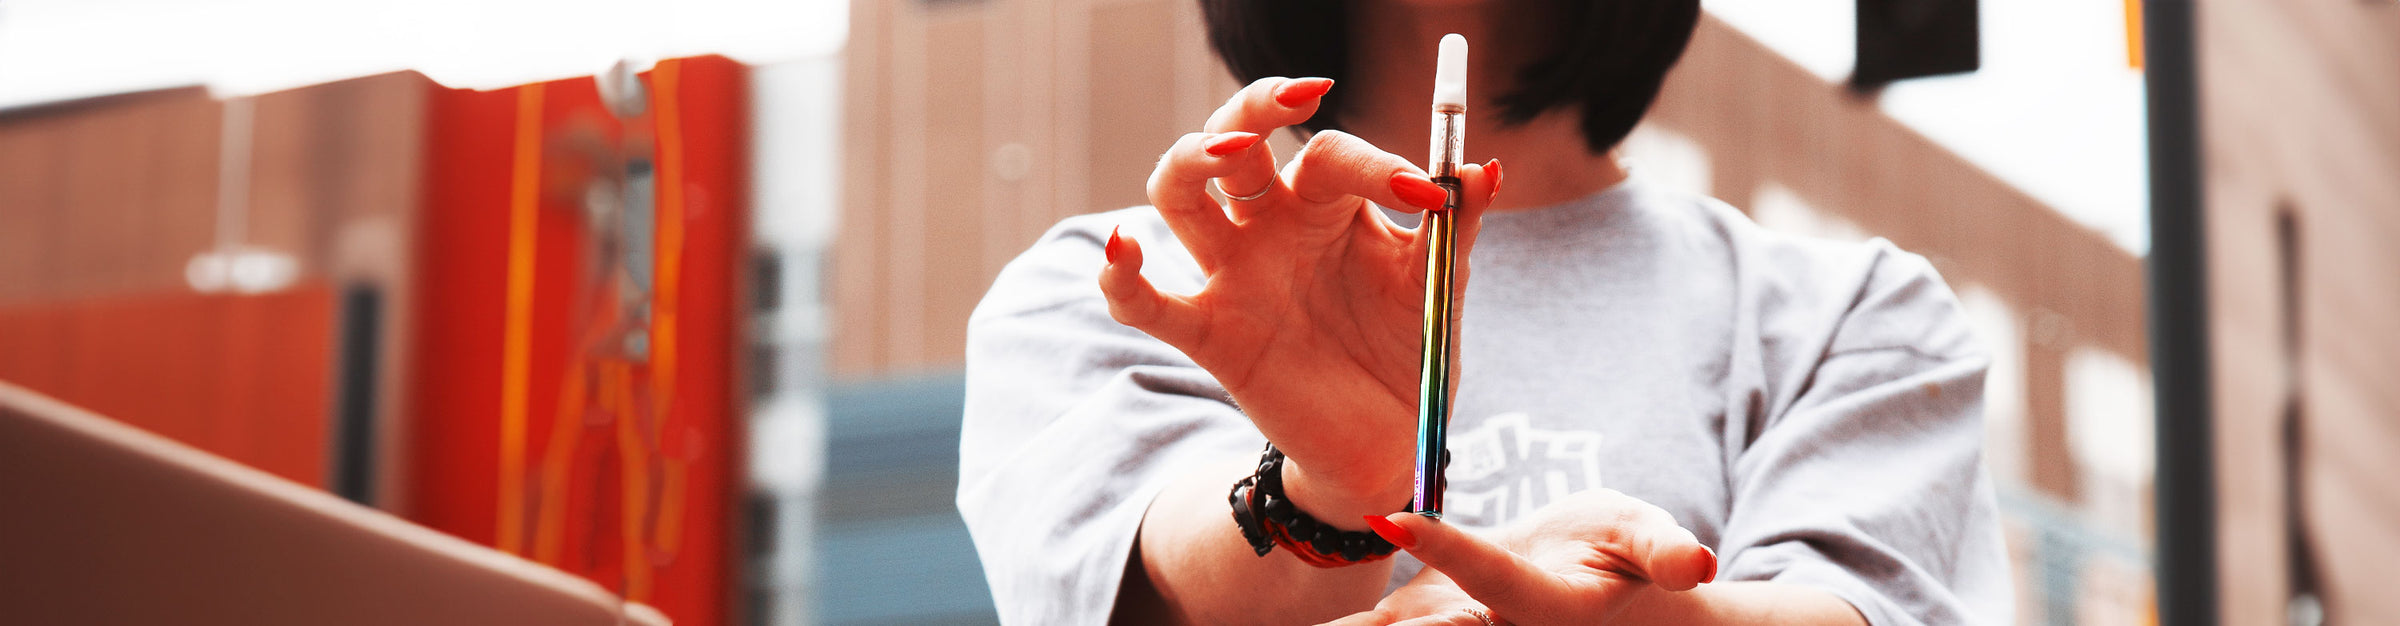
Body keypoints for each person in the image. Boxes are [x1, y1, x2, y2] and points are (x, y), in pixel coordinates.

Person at [957, 1, 2012, 624]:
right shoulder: (1123, 282)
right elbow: (1154, 587)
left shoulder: (1846, 314)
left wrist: (1642, 615)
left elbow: (1851, 606)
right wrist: (1328, 489)